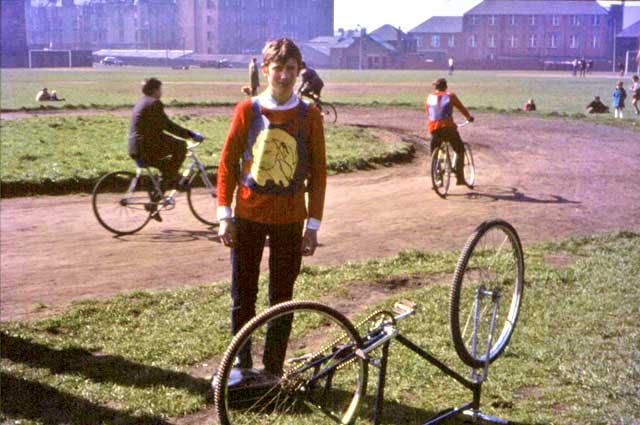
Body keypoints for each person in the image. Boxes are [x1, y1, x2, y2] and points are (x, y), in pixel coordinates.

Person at [216, 38, 327, 385]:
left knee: (282, 297)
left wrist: (313, 223)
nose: (283, 76)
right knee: (242, 294)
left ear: (299, 72)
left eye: (290, 69)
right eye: (277, 68)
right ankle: (240, 365)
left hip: (291, 220)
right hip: (248, 215)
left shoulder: (310, 116)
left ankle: (274, 369)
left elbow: (319, 172)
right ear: (265, 71)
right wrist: (224, 214)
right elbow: (227, 164)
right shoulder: (247, 111)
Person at [128, 78, 203, 220]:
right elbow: (167, 125)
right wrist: (191, 135)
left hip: (135, 147)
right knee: (180, 146)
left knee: (166, 168)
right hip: (146, 146)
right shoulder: (154, 103)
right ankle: (173, 181)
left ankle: (155, 200)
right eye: (160, 89)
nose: (161, 92)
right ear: (155, 90)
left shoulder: (140, 102)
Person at [426, 78, 474, 186]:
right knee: (460, 149)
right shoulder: (450, 96)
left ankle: (438, 178)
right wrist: (469, 117)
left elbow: (429, 113)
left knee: (435, 152)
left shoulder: (429, 97)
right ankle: (460, 178)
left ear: (435, 87)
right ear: (445, 86)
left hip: (434, 129)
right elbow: (462, 108)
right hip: (448, 128)